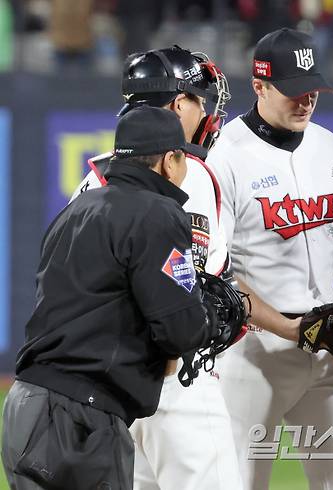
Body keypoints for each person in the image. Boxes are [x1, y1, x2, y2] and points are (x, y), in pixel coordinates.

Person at [206, 27, 333, 490]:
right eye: (293, 90)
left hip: (327, 344)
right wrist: (289, 328)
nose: (306, 100)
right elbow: (219, 273)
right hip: (252, 351)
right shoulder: (224, 156)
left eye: (313, 88)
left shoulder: (329, 146)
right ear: (259, 87)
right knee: (240, 483)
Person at [1, 106, 213, 490]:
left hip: (25, 407)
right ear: (169, 161)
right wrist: (207, 317)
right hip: (84, 421)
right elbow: (180, 331)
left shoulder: (76, 209)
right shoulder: (159, 213)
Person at [69, 46, 243, 490]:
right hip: (177, 377)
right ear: (175, 105)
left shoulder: (89, 186)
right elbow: (206, 291)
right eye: (197, 100)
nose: (205, 110)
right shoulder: (191, 175)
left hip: (111, 387)